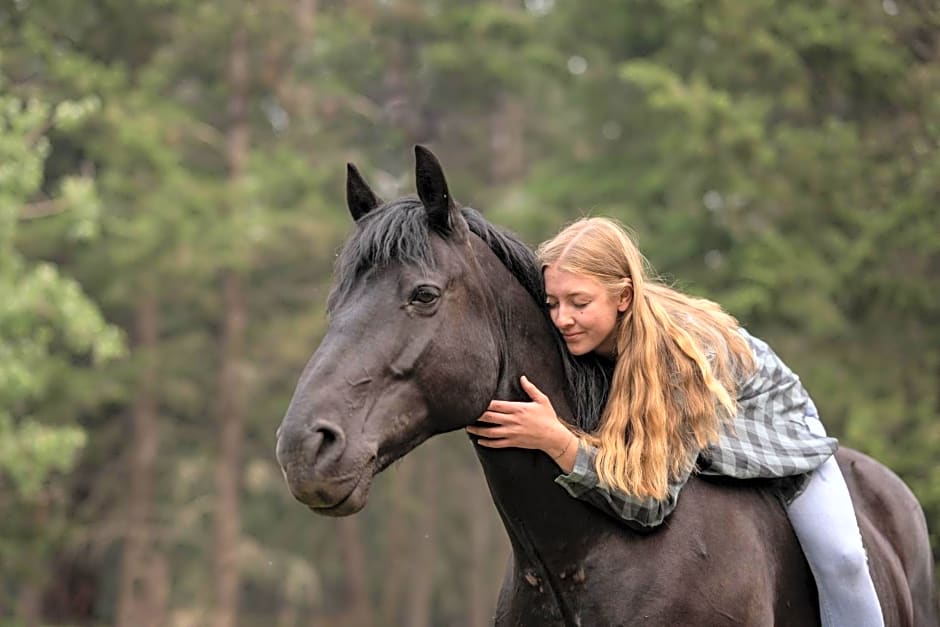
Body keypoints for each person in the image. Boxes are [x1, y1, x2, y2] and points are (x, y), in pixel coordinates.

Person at [465, 217, 884, 627]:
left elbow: (649, 503)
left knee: (843, 559)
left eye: (580, 302)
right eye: (553, 302)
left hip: (775, 426)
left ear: (624, 297)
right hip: (698, 420)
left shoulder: (675, 363)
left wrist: (557, 440)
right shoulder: (582, 332)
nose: (562, 319)